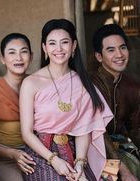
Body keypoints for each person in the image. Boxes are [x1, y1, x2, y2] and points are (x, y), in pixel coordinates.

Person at [20, 19, 113, 181]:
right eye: (52, 43)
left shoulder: (82, 83)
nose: (59, 49)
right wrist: (54, 160)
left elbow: (84, 129)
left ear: (74, 46)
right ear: (44, 48)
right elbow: (27, 133)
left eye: (64, 42)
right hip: (41, 154)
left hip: (75, 152)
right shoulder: (30, 83)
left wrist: (80, 163)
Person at [0, 33, 36, 181]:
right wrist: (13, 154)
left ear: (31, 57)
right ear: (2, 59)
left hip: (38, 155)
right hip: (4, 159)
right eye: (12, 52)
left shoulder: (38, 85)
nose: (18, 58)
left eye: (23, 52)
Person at [90, 23, 140, 181]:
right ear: (99, 56)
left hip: (120, 148)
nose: (119, 54)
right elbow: (97, 133)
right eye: (111, 50)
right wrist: (123, 171)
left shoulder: (133, 86)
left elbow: (136, 129)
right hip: (93, 149)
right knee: (112, 177)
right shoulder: (89, 84)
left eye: (123, 47)